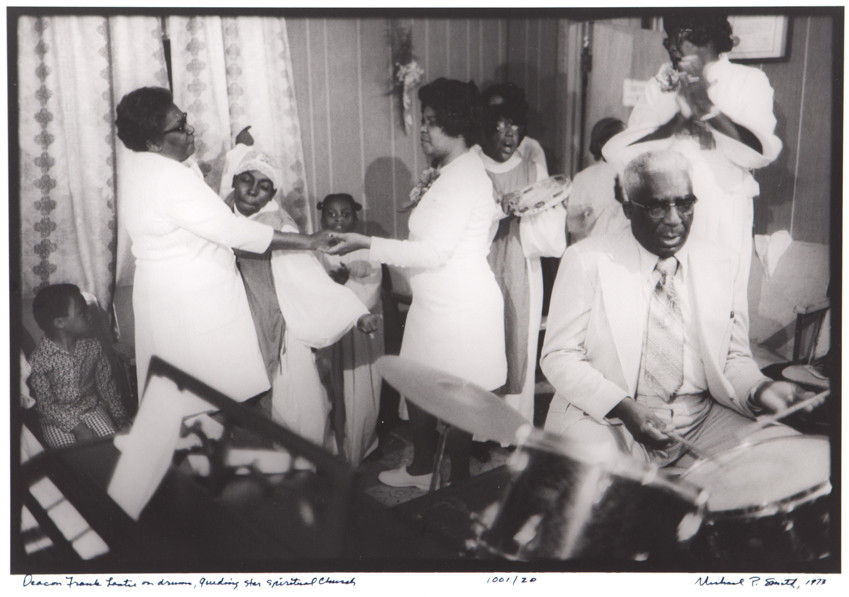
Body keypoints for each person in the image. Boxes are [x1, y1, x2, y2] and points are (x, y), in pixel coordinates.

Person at [541, 151, 812, 471]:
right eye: (657, 206)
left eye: (684, 204)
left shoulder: (722, 261)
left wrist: (761, 388)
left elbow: (732, 358)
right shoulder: (587, 260)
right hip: (612, 420)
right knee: (596, 486)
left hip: (701, 421)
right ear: (628, 209)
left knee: (791, 458)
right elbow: (559, 355)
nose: (673, 219)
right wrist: (625, 407)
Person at [327, 78, 507, 488]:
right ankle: (424, 468)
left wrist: (365, 242)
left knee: (457, 400)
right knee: (420, 388)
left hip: (460, 306)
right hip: (436, 303)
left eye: (431, 123)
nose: (423, 130)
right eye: (424, 121)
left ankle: (459, 484)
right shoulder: (452, 172)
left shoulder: (463, 178)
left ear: (457, 126)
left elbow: (431, 253)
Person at [115, 87, 333, 412]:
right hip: (194, 306)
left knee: (196, 405)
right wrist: (310, 240)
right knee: (212, 406)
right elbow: (233, 231)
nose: (190, 129)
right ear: (153, 143)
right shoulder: (168, 178)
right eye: (179, 127)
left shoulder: (147, 169)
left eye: (185, 119)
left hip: (174, 303)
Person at [602, 12, 782, 332]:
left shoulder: (747, 81)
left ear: (704, 34)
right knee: (666, 311)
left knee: (717, 309)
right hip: (668, 210)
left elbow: (759, 153)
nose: (670, 46)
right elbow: (624, 153)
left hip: (721, 211)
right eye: (667, 37)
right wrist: (676, 122)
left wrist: (705, 107)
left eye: (678, 35)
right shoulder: (659, 87)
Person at [219, 145, 379, 453]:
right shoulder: (222, 210)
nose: (253, 190)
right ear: (234, 180)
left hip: (277, 324)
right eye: (246, 180)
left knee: (296, 407)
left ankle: (309, 475)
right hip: (235, 321)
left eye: (264, 186)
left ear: (272, 194)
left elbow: (308, 277)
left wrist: (355, 313)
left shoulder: (280, 224)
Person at [476, 85, 566, 427]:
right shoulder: (472, 165)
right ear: (484, 127)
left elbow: (551, 225)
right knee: (483, 343)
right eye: (499, 126)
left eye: (513, 125)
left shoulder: (531, 167)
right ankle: (478, 430)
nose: (508, 134)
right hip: (480, 265)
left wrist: (529, 211)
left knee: (517, 341)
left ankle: (511, 427)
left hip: (521, 264)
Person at [317, 193, 385, 466]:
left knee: (360, 385)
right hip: (331, 326)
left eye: (345, 214)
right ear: (322, 216)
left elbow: (370, 293)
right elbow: (314, 288)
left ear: (355, 216)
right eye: (332, 214)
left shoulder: (367, 249)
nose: (339, 220)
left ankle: (360, 445)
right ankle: (334, 444)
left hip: (361, 330)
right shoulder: (316, 248)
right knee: (332, 385)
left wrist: (344, 283)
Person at [28, 284, 127, 448]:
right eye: (82, 313)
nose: (89, 316)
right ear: (60, 323)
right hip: (56, 421)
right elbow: (46, 406)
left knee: (112, 448)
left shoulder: (93, 346)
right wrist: (79, 429)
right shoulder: (39, 360)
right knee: (73, 457)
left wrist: (121, 418)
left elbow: (106, 386)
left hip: (90, 409)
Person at [566, 117, 630, 243]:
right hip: (595, 250)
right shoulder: (584, 177)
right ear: (603, 143)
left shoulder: (630, 173)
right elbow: (574, 225)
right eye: (622, 140)